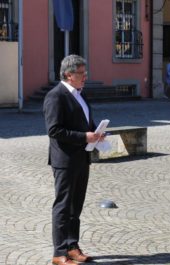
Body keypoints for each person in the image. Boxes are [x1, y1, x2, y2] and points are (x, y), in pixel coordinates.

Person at [43, 55, 106, 265]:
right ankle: (59, 253)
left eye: (85, 73)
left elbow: (85, 121)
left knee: (75, 206)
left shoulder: (80, 94)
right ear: (69, 75)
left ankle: (72, 246)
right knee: (63, 206)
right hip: (65, 160)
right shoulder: (56, 96)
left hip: (82, 157)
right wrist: (84, 137)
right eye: (81, 73)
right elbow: (54, 130)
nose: (85, 77)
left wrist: (96, 132)